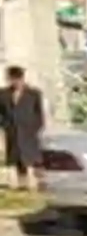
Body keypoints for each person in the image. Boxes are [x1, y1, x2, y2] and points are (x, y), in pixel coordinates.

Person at [1, 63, 45, 191]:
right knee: (13, 158)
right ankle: (13, 184)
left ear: (22, 78)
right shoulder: (3, 94)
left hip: (28, 132)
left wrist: (35, 128)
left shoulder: (33, 93)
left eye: (17, 79)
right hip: (12, 131)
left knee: (29, 158)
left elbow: (39, 113)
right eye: (12, 79)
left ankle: (31, 183)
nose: (15, 82)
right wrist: (5, 125)